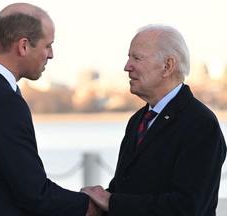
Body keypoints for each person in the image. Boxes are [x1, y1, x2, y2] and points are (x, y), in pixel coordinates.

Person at [0, 3, 100, 216]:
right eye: (48, 45)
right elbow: (34, 194)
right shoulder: (4, 102)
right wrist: (92, 206)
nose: (51, 54)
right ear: (24, 46)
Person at [81, 24, 227, 215]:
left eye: (137, 58)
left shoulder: (201, 125)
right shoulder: (138, 120)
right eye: (128, 57)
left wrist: (112, 202)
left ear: (167, 66)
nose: (127, 67)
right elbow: (123, 190)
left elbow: (187, 207)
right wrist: (90, 202)